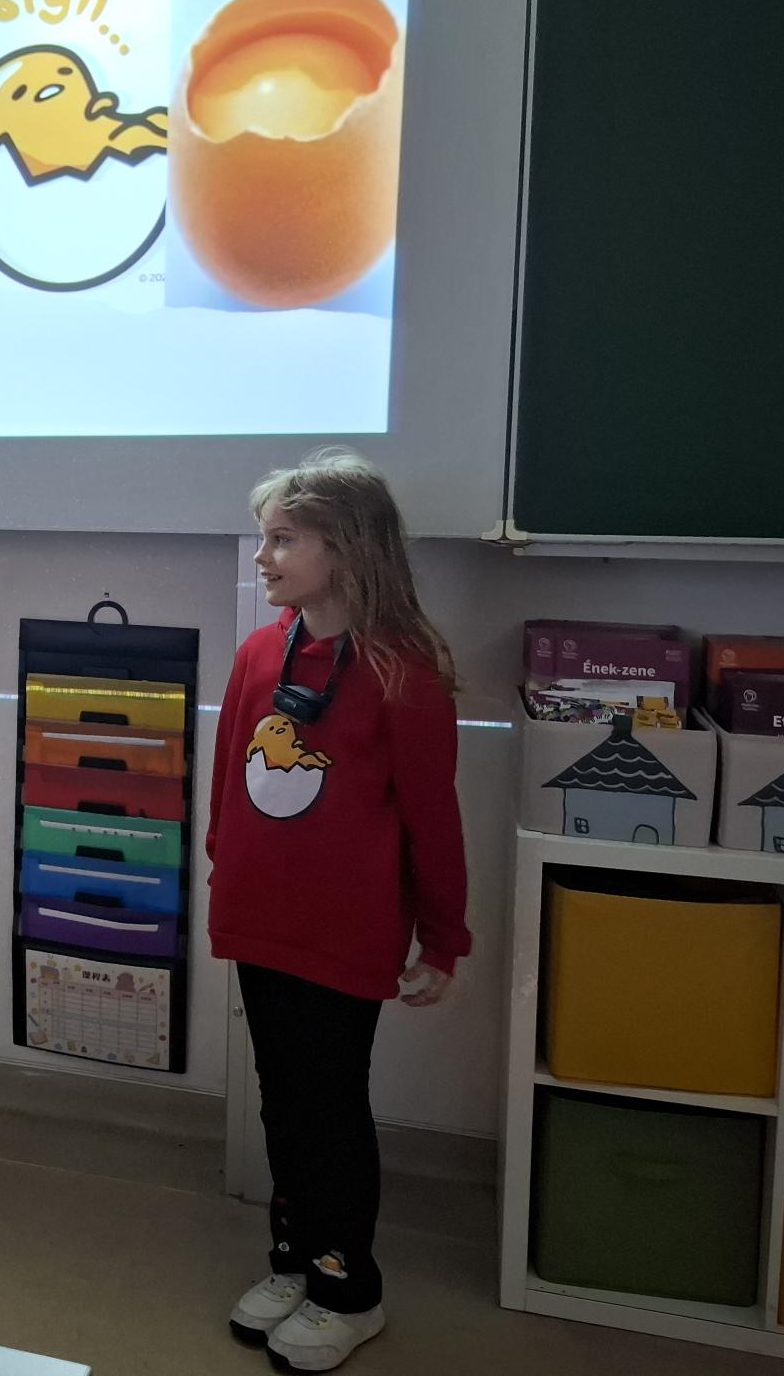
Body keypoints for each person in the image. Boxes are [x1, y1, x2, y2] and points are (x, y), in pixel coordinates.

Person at [208, 449, 472, 1372]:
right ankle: (294, 1259)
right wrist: (226, 872)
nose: (263, 557)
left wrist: (444, 937)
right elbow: (228, 781)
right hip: (261, 921)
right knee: (282, 1101)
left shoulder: (404, 671)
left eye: (284, 539)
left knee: (329, 1107)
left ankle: (348, 1287)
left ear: (348, 548)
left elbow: (432, 818)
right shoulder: (259, 653)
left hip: (344, 934)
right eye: (264, 539)